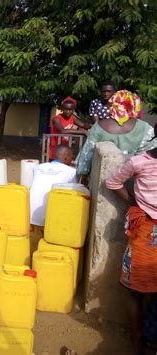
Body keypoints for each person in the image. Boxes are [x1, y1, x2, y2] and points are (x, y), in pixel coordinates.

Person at [105, 123, 157, 354]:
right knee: (136, 289)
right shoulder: (140, 162)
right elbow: (113, 182)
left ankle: (148, 336)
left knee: (153, 291)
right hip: (144, 230)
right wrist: (134, 201)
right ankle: (136, 341)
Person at [76, 90, 156, 178]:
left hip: (104, 179)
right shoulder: (145, 127)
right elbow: (151, 153)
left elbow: (86, 157)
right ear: (134, 106)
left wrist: (82, 176)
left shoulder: (99, 126)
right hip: (136, 179)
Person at [30, 145, 78, 227]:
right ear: (66, 158)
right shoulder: (72, 172)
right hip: (51, 222)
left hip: (29, 217)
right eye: (71, 157)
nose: (72, 160)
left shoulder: (37, 167)